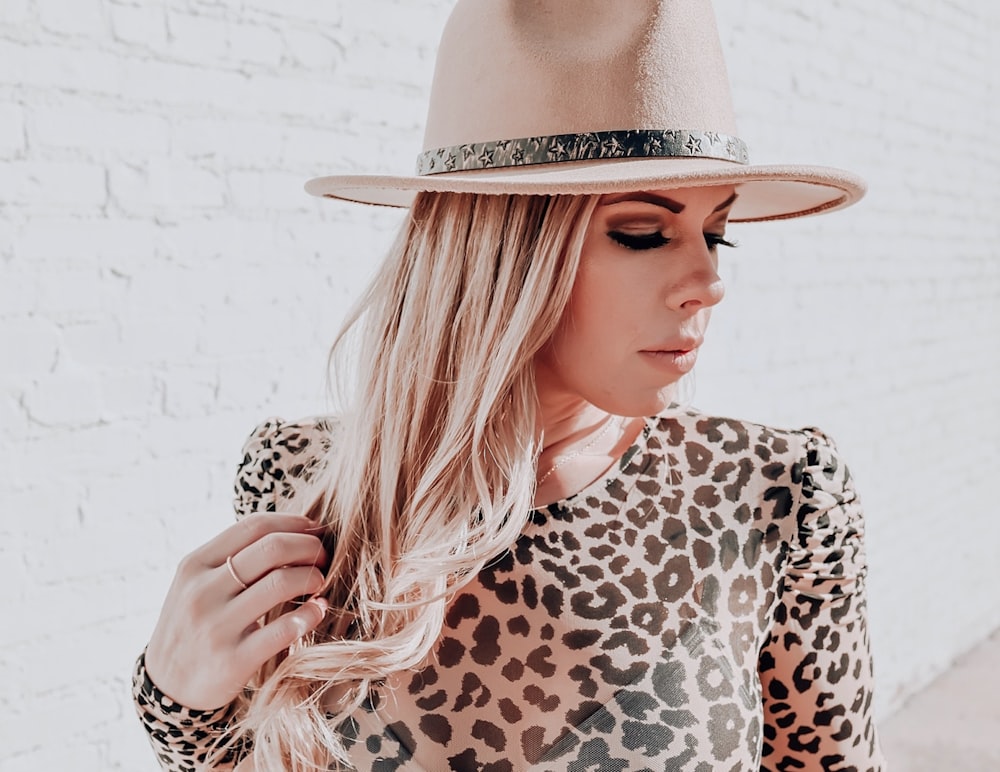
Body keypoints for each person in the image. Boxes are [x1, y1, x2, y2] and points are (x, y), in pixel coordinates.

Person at [133, 2, 886, 770]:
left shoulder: (769, 492)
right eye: (643, 232)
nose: (707, 282)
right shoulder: (306, 482)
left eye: (715, 232)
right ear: (500, 254)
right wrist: (178, 699)